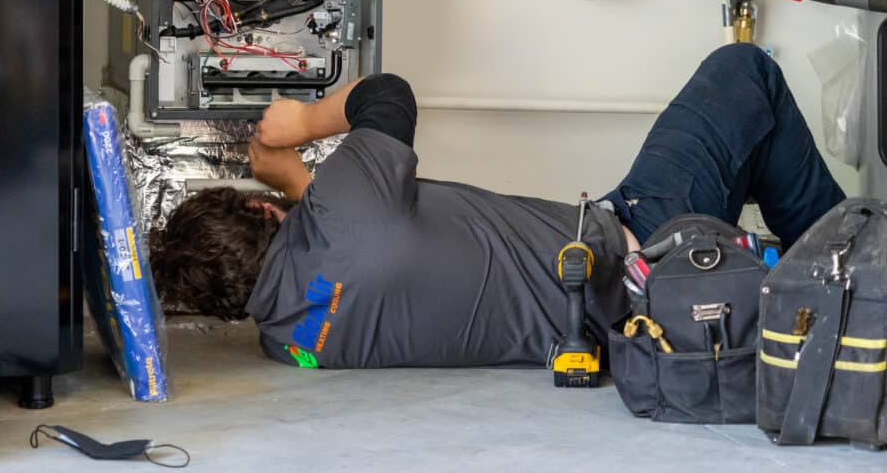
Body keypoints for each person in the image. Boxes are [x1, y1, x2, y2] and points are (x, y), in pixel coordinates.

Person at [149, 44, 844, 369]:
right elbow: (386, 95)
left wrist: (295, 187)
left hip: (609, 337)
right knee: (743, 74)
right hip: (638, 251)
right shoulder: (345, 208)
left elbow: (341, 260)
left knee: (749, 146)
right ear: (269, 214)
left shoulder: (291, 343)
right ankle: (853, 266)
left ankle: (837, 273)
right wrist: (297, 129)